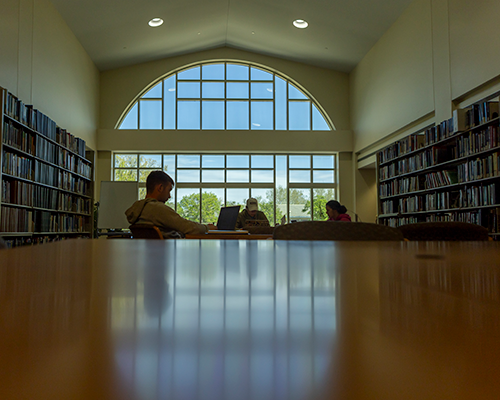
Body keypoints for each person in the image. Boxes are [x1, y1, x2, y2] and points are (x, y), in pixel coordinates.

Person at [125, 170, 216, 237]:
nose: (169, 196)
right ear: (160, 188)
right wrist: (207, 227)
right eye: (169, 190)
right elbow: (186, 226)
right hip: (169, 255)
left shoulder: (139, 209)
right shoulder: (157, 209)